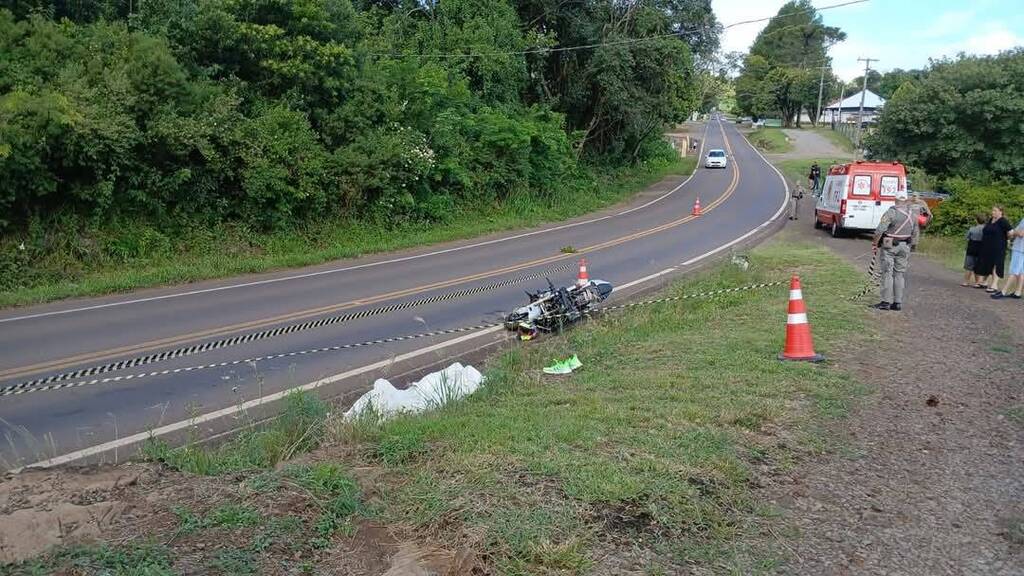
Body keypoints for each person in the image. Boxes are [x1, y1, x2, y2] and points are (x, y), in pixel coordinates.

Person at [871, 189, 917, 311]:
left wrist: (875, 242)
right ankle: (897, 302)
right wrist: (912, 246)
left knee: (887, 273)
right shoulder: (912, 214)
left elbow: (880, 229)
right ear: (905, 200)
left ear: (895, 199)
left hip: (890, 246)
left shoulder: (891, 212)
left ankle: (886, 301)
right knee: (899, 274)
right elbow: (915, 233)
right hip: (905, 246)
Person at [973, 205, 1013, 293]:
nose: (993, 212)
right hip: (987, 246)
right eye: (992, 210)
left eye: (995, 210)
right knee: (987, 263)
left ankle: (994, 285)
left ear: (1000, 212)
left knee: (996, 264)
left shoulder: (1003, 221)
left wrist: (1006, 239)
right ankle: (984, 282)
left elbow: (1011, 232)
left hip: (998, 247)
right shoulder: (991, 220)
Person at [991, 216, 1024, 300]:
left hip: (1020, 248)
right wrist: (1015, 231)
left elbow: (1020, 233)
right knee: (1021, 271)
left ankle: (1004, 291)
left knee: (1014, 270)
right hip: (1021, 248)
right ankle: (1018, 292)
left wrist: (1014, 232)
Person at [962, 213, 986, 287]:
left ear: (976, 221)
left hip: (971, 248)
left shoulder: (972, 229)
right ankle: (977, 282)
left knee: (968, 267)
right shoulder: (986, 229)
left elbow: (966, 237)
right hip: (981, 249)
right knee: (978, 267)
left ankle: (966, 282)